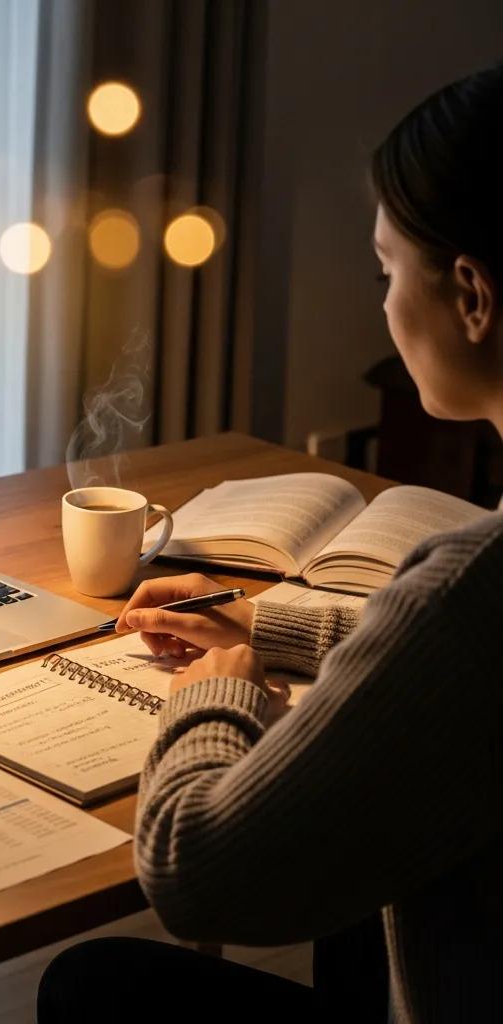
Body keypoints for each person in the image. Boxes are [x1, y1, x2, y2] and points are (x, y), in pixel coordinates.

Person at [38, 62, 503, 1024]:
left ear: (471, 294)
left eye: (385, 271)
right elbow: (455, 671)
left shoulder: (470, 584)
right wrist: (265, 622)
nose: (383, 303)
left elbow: (194, 874)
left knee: (91, 987)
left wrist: (217, 692)